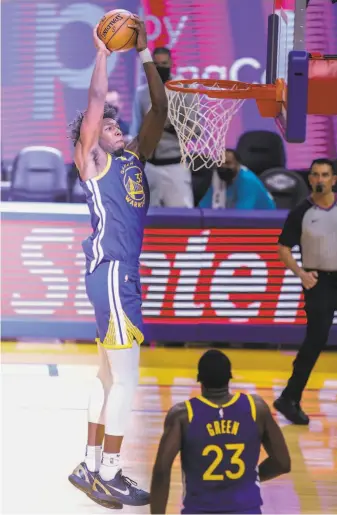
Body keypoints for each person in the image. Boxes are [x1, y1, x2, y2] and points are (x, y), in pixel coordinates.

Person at [67, 17, 168, 508]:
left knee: (108, 377)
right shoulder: (93, 161)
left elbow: (162, 108)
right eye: (107, 126)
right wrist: (105, 54)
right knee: (128, 379)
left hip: (118, 275)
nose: (115, 125)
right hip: (112, 273)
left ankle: (89, 466)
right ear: (89, 142)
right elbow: (92, 106)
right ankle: (109, 471)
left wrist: (145, 52)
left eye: (115, 122)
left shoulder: (134, 157)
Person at [150, 350, 291, 514]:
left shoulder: (183, 415)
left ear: (199, 379)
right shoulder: (255, 408)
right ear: (229, 377)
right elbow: (282, 463)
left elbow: (161, 470)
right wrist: (252, 476)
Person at [274, 158, 337, 425]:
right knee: (315, 340)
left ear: (334, 179)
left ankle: (289, 396)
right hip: (318, 280)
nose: (320, 179)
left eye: (325, 174)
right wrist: (300, 274)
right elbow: (283, 248)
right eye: (315, 175)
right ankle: (290, 397)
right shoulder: (301, 211)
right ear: (309, 179)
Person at [130, 47, 194, 208]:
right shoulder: (142, 93)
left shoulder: (185, 91)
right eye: (156, 64)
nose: (160, 67)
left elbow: (195, 131)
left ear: (171, 63)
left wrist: (170, 125)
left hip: (175, 166)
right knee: (146, 217)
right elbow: (136, 128)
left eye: (164, 63)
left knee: (182, 217)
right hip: (149, 166)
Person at [198, 149, 276, 210]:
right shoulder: (216, 178)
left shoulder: (248, 180)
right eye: (219, 162)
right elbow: (204, 206)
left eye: (227, 163)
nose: (222, 166)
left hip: (265, 223)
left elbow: (242, 215)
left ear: (238, 165)